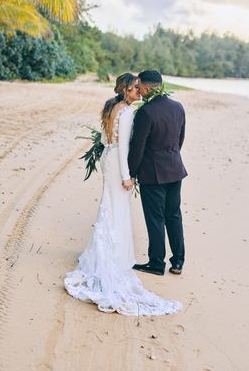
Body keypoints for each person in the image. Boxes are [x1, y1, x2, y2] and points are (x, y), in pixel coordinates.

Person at [64, 73, 181, 316]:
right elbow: (126, 147)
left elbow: (109, 141)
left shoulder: (112, 107)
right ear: (126, 90)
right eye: (135, 88)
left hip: (110, 159)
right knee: (120, 209)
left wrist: (127, 170)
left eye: (140, 88)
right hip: (126, 164)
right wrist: (128, 175)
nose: (139, 92)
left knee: (110, 207)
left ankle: (107, 251)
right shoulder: (131, 112)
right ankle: (120, 255)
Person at [129, 70, 187, 276]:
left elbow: (138, 147)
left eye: (139, 87)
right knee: (174, 216)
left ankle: (156, 263)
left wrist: (131, 172)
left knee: (155, 219)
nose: (139, 92)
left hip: (153, 174)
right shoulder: (178, 107)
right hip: (175, 169)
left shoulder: (146, 112)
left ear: (145, 87)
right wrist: (171, 157)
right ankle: (178, 262)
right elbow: (180, 140)